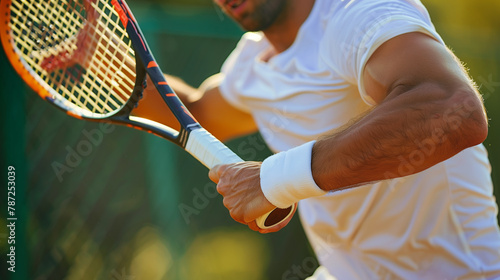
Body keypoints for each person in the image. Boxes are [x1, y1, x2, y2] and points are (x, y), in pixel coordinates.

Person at [137, 0, 500, 278]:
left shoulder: (358, 14)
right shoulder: (252, 61)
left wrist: (274, 180)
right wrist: (101, 63)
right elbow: (195, 112)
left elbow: (451, 108)